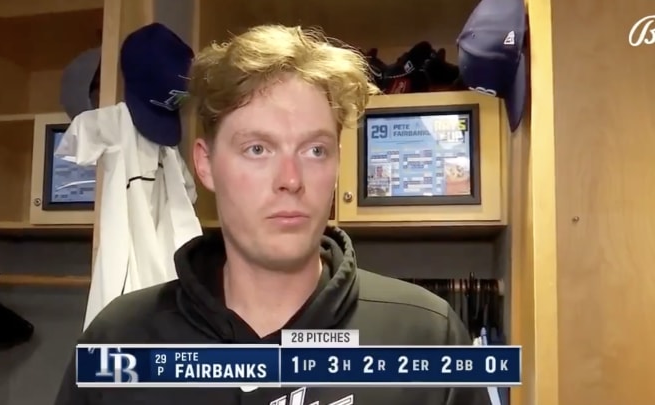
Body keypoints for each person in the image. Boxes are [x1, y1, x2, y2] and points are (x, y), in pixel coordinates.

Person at [54, 24, 490, 405]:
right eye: (257, 149)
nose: (290, 179)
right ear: (205, 164)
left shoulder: (427, 338)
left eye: (315, 150)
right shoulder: (118, 339)